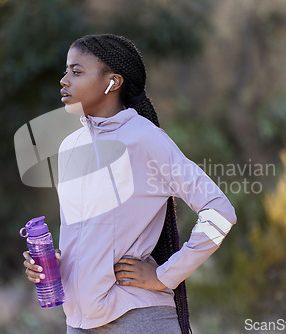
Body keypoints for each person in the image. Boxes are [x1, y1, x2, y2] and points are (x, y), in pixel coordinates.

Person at [23, 34, 236, 334]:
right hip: (78, 324)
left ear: (113, 82)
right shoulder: (70, 147)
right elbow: (86, 235)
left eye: (76, 71)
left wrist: (165, 276)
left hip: (137, 319)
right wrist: (52, 263)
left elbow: (220, 211)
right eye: (66, 71)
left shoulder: (144, 139)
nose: (64, 80)